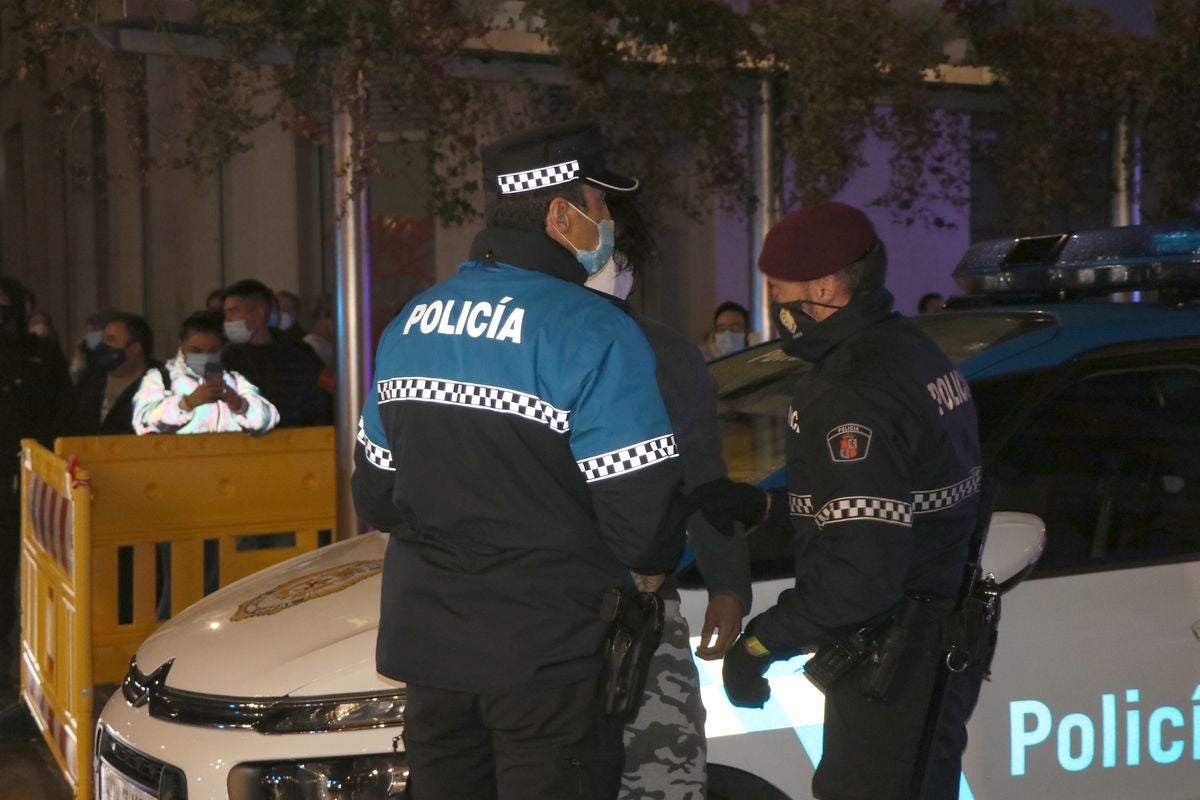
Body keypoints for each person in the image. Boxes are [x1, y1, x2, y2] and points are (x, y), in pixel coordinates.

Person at [352, 122, 686, 800]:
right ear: (559, 214)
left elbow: (377, 498)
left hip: (432, 659)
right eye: (600, 204)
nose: (609, 222)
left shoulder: (412, 320)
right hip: (548, 662)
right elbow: (646, 525)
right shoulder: (596, 332)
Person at [705, 202, 984, 800]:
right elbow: (889, 500)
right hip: (931, 639)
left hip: (894, 652)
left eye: (779, 290)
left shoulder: (850, 386)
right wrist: (766, 511)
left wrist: (759, 644)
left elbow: (862, 573)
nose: (774, 305)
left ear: (825, 287)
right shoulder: (910, 349)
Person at [583, 240, 751, 800]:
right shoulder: (532, 344)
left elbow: (703, 477)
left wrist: (728, 582)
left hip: (644, 609)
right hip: (547, 606)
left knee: (662, 777)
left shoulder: (667, 354)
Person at [0, 278, 70, 684]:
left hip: (34, 472)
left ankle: (36, 650)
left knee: (39, 564)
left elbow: (57, 407)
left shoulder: (40, 355)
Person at [132, 310, 279, 435]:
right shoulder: (160, 379)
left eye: (213, 350)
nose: (205, 356)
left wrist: (239, 404)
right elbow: (143, 423)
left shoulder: (235, 380)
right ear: (181, 345)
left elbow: (269, 421)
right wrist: (187, 403)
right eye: (196, 350)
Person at [220, 279, 330, 428]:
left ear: (259, 313)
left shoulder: (299, 353)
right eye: (226, 313)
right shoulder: (226, 358)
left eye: (234, 311)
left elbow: (321, 403)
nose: (227, 320)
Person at [58, 312, 160, 436]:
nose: (103, 346)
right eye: (103, 339)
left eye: (111, 340)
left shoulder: (161, 387)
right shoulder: (91, 380)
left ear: (133, 349)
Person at [68, 308, 117, 383]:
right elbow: (75, 378)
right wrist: (79, 355)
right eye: (88, 331)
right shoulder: (90, 354)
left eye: (95, 330)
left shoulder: (117, 355)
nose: (90, 335)